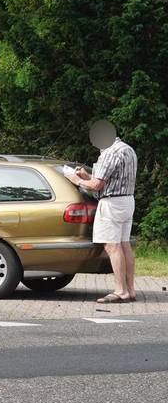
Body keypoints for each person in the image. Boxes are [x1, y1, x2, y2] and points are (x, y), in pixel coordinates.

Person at [65, 119, 138, 304]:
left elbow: (97, 186)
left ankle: (120, 291)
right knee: (124, 245)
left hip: (112, 203)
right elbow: (110, 179)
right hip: (127, 200)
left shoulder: (109, 153)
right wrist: (87, 176)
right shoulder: (127, 149)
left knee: (112, 246)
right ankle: (130, 290)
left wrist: (77, 180)